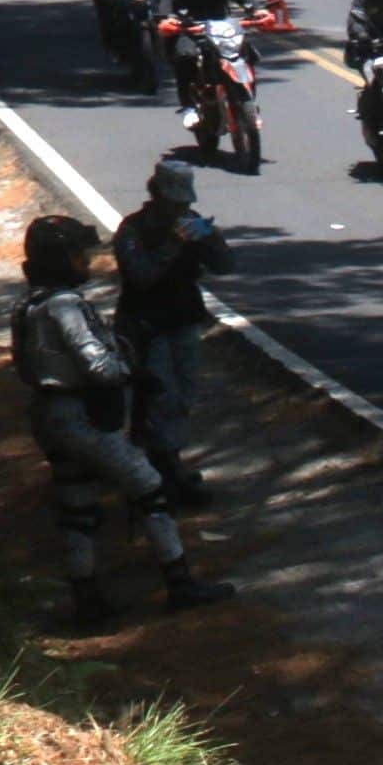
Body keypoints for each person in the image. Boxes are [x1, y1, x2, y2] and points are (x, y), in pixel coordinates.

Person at [13, 215, 233, 626]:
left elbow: (25, 368)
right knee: (151, 489)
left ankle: (87, 599)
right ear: (60, 259)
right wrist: (130, 372)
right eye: (78, 255)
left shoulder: (27, 306)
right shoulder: (66, 306)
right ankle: (180, 584)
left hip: (48, 414)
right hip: (81, 416)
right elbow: (97, 366)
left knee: (77, 506)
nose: (85, 261)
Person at [110, 159, 234, 509]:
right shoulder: (133, 230)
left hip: (183, 320)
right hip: (146, 326)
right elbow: (140, 276)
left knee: (184, 394)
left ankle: (170, 460)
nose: (180, 209)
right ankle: (160, 469)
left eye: (184, 203)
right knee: (157, 397)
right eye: (173, 203)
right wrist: (171, 245)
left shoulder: (190, 222)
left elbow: (225, 266)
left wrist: (209, 238)